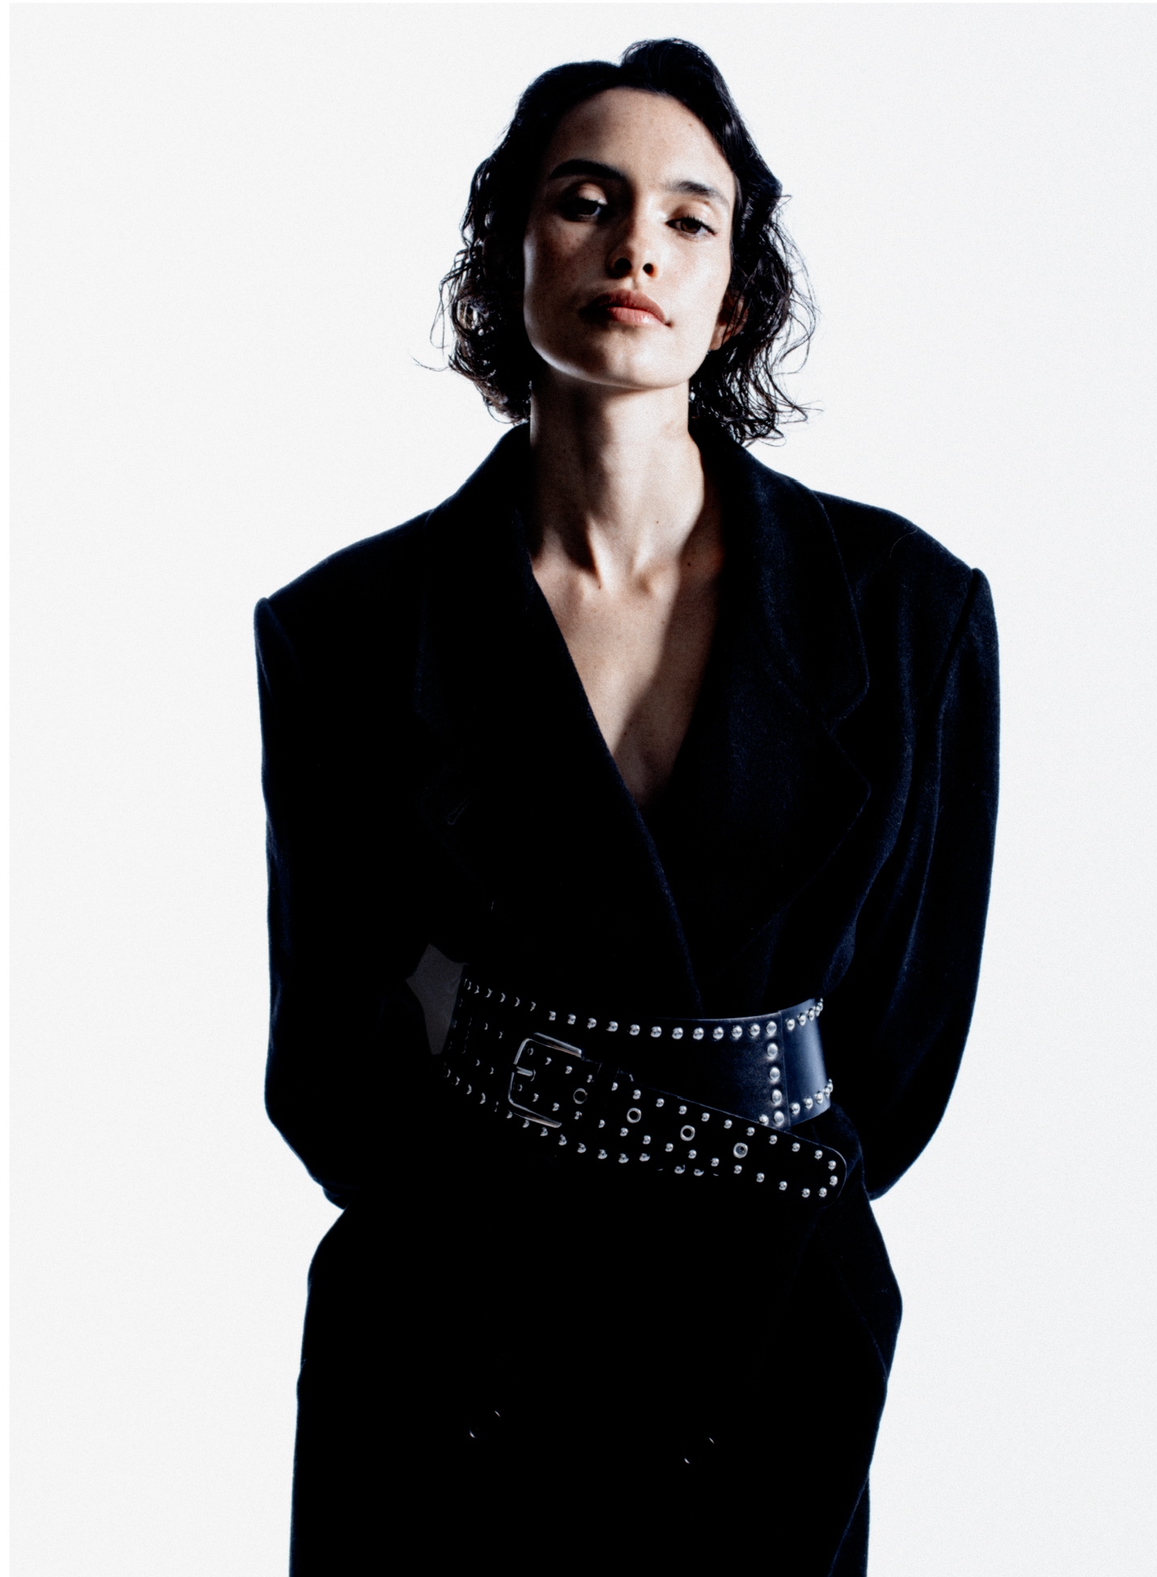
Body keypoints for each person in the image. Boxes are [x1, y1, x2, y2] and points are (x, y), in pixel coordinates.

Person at [255, 37, 998, 1577]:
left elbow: (901, 1046)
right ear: (508, 259)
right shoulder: (344, 630)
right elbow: (327, 1063)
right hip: (451, 1357)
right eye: (585, 201)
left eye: (687, 216)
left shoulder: (909, 613)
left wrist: (777, 1224)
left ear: (733, 300)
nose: (635, 245)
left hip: (768, 1339)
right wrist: (472, 1232)